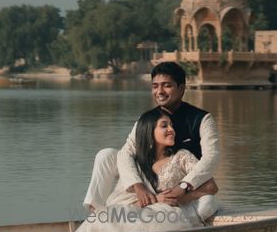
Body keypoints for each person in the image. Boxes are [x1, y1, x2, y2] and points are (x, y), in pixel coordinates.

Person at [82, 61, 220, 220]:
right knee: (106, 155)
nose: (159, 91)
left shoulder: (201, 119)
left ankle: (178, 226)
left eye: (166, 85)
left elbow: (211, 157)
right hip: (149, 179)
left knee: (208, 202)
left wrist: (184, 186)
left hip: (183, 181)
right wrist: (138, 185)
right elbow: (127, 152)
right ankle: (94, 215)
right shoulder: (147, 119)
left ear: (181, 88)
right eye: (155, 86)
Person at [73, 108, 217, 232]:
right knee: (110, 217)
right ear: (149, 131)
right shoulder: (136, 162)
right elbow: (130, 202)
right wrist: (155, 199)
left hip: (162, 212)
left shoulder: (181, 157)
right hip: (138, 209)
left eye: (171, 125)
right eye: (164, 125)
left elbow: (212, 186)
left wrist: (183, 195)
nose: (171, 129)